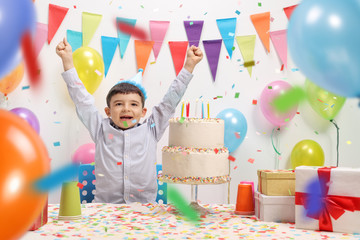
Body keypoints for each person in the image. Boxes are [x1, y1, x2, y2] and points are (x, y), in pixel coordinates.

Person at [56, 38, 203, 203]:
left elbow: (169, 102)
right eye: (119, 104)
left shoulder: (151, 129)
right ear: (108, 111)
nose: (126, 109)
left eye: (133, 104)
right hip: (106, 210)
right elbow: (82, 100)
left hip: (145, 212)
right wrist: (67, 61)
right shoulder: (100, 129)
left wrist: (189, 66)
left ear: (143, 112)